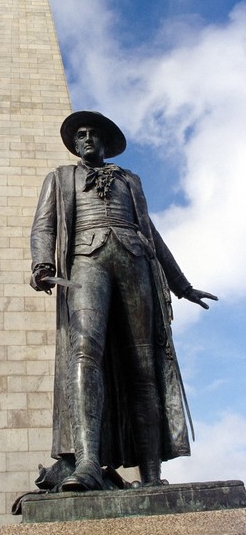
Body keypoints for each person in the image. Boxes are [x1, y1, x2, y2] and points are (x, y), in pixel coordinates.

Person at [30, 110, 217, 492]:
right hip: (86, 262)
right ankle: (86, 463)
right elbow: (44, 224)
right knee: (85, 352)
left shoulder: (130, 180)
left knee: (143, 366)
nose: (86, 139)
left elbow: (151, 232)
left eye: (93, 134)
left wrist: (182, 285)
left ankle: (150, 474)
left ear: (105, 143)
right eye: (80, 134)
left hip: (135, 262)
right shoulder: (61, 178)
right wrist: (42, 263)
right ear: (74, 143)